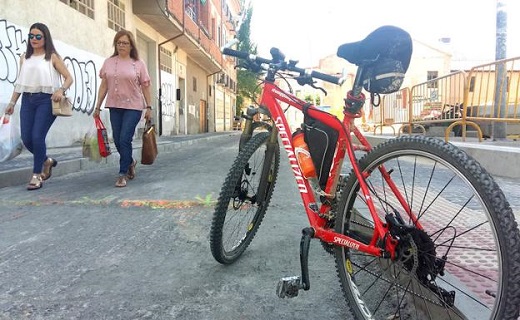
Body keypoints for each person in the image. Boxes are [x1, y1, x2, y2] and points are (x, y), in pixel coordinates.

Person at [4, 22, 73, 190]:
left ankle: (36, 175)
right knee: (27, 138)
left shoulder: (52, 57)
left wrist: (61, 90)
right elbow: (20, 83)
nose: (33, 39)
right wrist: (12, 102)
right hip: (27, 100)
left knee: (37, 136)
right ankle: (47, 161)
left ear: (45, 38)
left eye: (38, 36)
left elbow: (69, 78)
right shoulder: (24, 57)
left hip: (47, 101)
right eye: (31, 36)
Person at [93, 29, 152, 187]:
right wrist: (97, 106)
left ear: (131, 45)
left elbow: (146, 86)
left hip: (133, 106)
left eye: (125, 43)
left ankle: (122, 173)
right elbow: (104, 85)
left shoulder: (139, 64)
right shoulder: (109, 62)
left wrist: (149, 107)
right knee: (118, 140)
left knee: (125, 138)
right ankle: (130, 162)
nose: (121, 45)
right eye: (118, 43)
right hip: (114, 105)